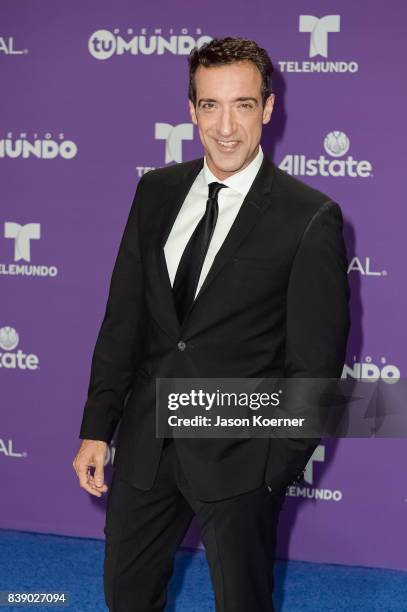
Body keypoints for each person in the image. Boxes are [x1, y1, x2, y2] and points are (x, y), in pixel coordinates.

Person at [72, 36, 350, 612]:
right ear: (192, 108)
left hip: (242, 459)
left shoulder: (309, 216)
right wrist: (98, 425)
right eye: (210, 105)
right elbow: (123, 318)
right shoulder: (155, 191)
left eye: (243, 105)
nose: (226, 126)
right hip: (147, 446)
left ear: (268, 109)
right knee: (126, 598)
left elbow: (315, 363)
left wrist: (274, 471)